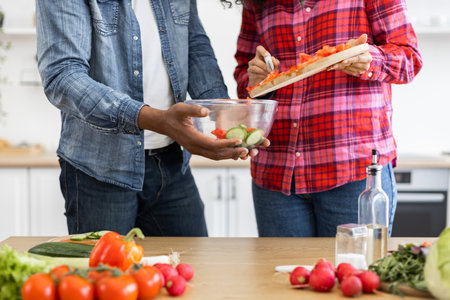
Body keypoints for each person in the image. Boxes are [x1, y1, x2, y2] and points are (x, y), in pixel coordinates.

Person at [35, 0, 267, 237]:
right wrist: (155, 119)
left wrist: (220, 110)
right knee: (107, 273)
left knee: (190, 269)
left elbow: (194, 45)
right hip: (100, 168)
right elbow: (62, 75)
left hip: (171, 161)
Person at [224, 0, 423, 237]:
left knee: (354, 272)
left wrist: (371, 59)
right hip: (276, 173)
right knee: (278, 274)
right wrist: (255, 79)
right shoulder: (257, 3)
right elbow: (244, 76)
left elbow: (410, 59)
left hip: (353, 174)